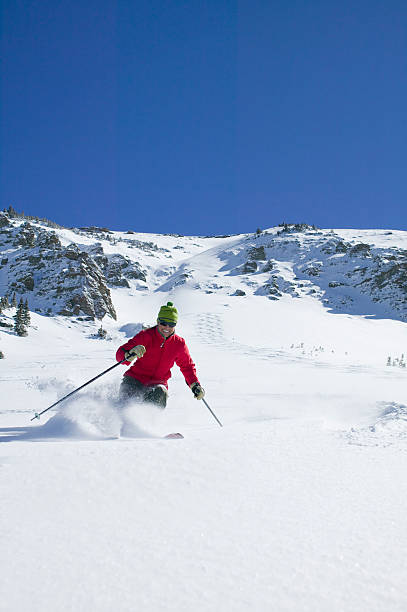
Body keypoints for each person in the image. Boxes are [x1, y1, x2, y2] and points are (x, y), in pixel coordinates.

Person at [116, 302, 205, 408]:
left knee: (160, 392)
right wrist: (129, 354)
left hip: (157, 384)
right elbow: (119, 354)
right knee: (126, 403)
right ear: (158, 322)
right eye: (163, 323)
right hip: (135, 379)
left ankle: (146, 422)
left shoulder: (179, 344)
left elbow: (187, 366)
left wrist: (195, 385)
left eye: (171, 324)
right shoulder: (146, 336)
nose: (167, 327)